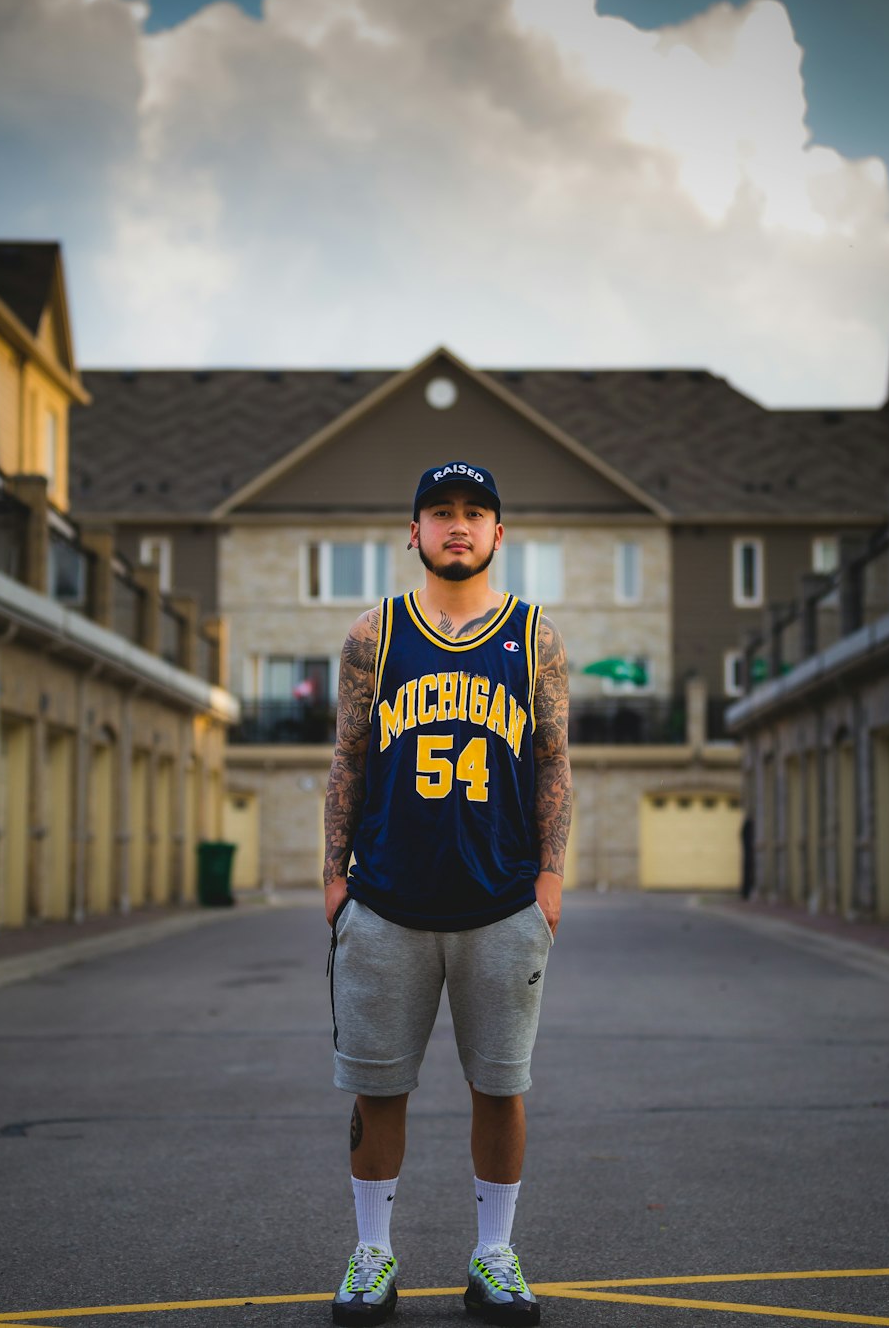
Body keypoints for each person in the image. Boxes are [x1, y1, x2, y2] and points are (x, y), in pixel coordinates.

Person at [323, 462, 572, 1327]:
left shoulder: (534, 634)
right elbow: (350, 758)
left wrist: (550, 874)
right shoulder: (373, 635)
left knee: (500, 1087)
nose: (457, 526)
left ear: (499, 534)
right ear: (415, 530)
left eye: (476, 513)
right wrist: (333, 877)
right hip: (388, 900)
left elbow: (552, 760)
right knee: (377, 1089)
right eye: (440, 512)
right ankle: (371, 1255)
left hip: (501, 902)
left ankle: (494, 1254)